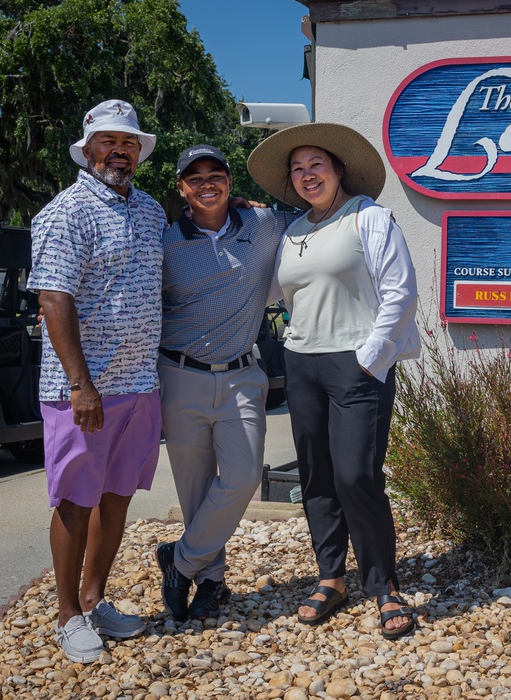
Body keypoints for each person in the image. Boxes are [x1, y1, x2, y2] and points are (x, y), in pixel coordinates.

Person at [247, 123, 421, 639]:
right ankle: (331, 577)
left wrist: (370, 357)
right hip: (302, 363)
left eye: (315, 165)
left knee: (356, 476)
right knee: (317, 478)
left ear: (339, 169)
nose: (307, 176)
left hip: (355, 365)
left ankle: (383, 585)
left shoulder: (368, 217)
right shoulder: (294, 230)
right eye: (297, 169)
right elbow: (279, 292)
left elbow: (401, 291)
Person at [29, 99, 165, 663]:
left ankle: (94, 598)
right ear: (87, 150)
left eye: (129, 143)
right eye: (109, 142)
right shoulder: (67, 211)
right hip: (83, 392)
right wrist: (80, 383)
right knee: (75, 502)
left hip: (140, 383)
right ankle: (66, 616)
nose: (120, 151)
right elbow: (53, 298)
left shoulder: (152, 210)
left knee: (115, 499)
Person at [154, 144, 296, 621]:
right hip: (180, 376)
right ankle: (210, 581)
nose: (207, 184)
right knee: (194, 491)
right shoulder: (164, 242)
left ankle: (181, 560)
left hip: (241, 377)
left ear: (231, 184)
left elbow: (315, 207)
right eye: (196, 178)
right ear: (181, 189)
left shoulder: (264, 225)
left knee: (241, 477)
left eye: (217, 175)